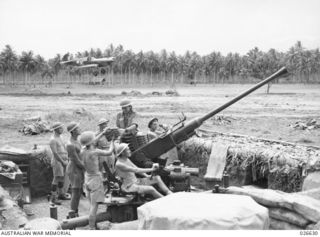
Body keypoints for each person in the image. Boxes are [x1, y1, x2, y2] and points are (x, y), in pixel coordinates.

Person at [80, 130, 115, 230]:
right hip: (95, 180)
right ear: (91, 142)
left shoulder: (83, 150)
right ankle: (92, 228)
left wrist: (103, 132)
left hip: (87, 178)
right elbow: (109, 152)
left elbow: (91, 140)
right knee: (94, 207)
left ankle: (94, 225)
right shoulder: (95, 152)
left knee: (91, 205)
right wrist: (112, 142)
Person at [49, 122, 70, 205]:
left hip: (63, 161)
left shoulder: (60, 137)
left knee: (61, 178)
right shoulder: (53, 140)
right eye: (60, 128)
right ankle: (53, 198)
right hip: (58, 162)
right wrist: (62, 161)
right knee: (56, 179)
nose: (62, 129)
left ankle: (61, 194)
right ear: (56, 129)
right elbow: (55, 153)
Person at [66, 122, 84, 217]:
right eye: (77, 128)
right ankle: (72, 213)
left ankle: (75, 211)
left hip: (79, 168)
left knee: (79, 191)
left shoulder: (77, 140)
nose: (80, 129)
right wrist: (87, 169)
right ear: (73, 131)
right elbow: (76, 160)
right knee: (75, 191)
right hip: (74, 169)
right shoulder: (70, 144)